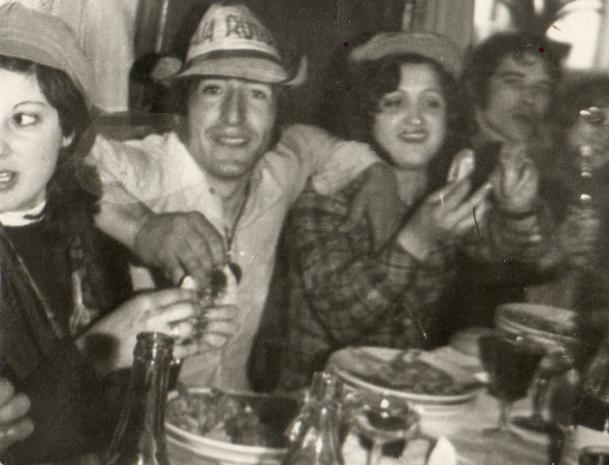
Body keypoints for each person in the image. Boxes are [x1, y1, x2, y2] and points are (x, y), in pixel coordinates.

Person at [87, 2, 392, 391]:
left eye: (257, 94)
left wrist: (375, 169)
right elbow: (68, 162)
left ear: (277, 112)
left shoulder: (279, 171)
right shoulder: (149, 168)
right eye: (214, 90)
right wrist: (143, 228)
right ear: (185, 105)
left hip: (232, 407)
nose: (234, 116)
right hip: (135, 412)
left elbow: (310, 143)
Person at [0, 4, 236, 463]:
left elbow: (108, 420)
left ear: (69, 131)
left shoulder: (89, 232)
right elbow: (21, 443)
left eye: (24, 118)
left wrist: (168, 343)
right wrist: (105, 348)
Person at [274, 31, 552, 391]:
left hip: (405, 395)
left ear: (450, 116)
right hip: (319, 398)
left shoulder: (442, 189)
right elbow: (342, 319)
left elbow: (495, 246)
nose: (416, 119)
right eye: (394, 103)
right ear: (365, 114)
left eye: (431, 103)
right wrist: (418, 238)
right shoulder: (327, 192)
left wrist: (517, 211)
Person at [445, 31, 569, 332]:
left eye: (541, 88)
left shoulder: (550, 165)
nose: (529, 99)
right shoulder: (454, 156)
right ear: (478, 87)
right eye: (513, 82)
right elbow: (474, 261)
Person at [526, 75, 609, 341]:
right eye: (595, 119)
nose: (604, 137)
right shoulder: (529, 181)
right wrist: (557, 251)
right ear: (567, 120)